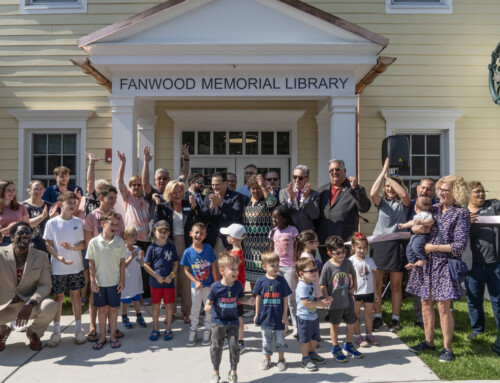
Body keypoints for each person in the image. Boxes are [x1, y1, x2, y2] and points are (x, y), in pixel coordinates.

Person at [407, 175, 470, 363]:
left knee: (444, 307)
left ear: (456, 192)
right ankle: (428, 341)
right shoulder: (432, 209)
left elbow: (459, 246)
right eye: (439, 189)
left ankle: (447, 349)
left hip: (444, 264)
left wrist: (431, 248)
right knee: (425, 303)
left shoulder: (461, 214)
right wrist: (417, 231)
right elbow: (415, 228)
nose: (440, 192)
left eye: (445, 189)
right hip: (426, 265)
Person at [0, 222, 57, 351]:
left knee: (50, 306)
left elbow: (46, 284)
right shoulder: (0, 254)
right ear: (12, 237)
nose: (25, 235)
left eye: (28, 233)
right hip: (5, 306)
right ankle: (2, 331)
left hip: (29, 304)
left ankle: (34, 333)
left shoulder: (41, 256)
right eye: (20, 233)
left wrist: (30, 303)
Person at [369, 158, 410, 333]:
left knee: (395, 285)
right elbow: (372, 193)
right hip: (379, 245)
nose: (390, 189)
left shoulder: (404, 204)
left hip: (397, 245)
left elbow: (405, 195)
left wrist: (391, 179)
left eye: (393, 186)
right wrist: (383, 174)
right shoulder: (382, 204)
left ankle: (395, 319)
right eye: (387, 187)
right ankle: (377, 317)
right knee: (377, 284)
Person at [154, 180, 202, 324]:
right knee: (171, 278)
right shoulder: (163, 207)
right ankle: (171, 311)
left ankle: (187, 312)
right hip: (169, 244)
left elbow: (199, 222)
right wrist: (157, 208)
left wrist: (195, 207)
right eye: (175, 192)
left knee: (186, 279)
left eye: (180, 191)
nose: (178, 194)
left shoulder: (189, 205)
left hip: (187, 244)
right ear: (169, 194)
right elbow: (157, 225)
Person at [43, 191, 86, 347]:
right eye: (69, 203)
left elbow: (83, 244)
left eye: (74, 203)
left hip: (75, 266)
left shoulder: (79, 222)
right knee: (58, 298)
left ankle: (79, 330)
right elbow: (48, 244)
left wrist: (71, 247)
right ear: (60, 204)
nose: (73, 206)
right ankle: (56, 332)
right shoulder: (51, 223)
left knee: (76, 296)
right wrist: (58, 257)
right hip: (58, 267)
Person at [205, 252, 255, 383]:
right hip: (218, 322)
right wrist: (207, 305)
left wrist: (248, 301)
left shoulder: (237, 285)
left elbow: (241, 298)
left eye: (237, 269)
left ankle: (233, 372)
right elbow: (209, 300)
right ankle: (215, 373)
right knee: (216, 347)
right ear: (222, 270)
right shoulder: (216, 287)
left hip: (233, 322)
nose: (236, 272)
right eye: (232, 269)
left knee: (234, 347)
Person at [84, 184, 125, 341]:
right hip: (96, 259)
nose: (113, 201)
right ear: (101, 198)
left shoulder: (117, 217)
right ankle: (93, 327)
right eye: (110, 198)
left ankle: (111, 329)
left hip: (112, 261)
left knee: (112, 302)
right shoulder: (92, 216)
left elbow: (119, 239)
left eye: (115, 198)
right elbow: (88, 242)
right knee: (95, 297)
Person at [465, 181, 500, 354]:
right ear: (468, 194)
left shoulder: (493, 206)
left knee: (498, 300)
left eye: (482, 191)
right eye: (477, 192)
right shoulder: (463, 212)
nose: (481, 195)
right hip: (473, 266)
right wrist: (466, 222)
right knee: (474, 300)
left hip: (494, 264)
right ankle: (478, 330)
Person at [317, 159, 371, 263]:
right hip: (326, 243)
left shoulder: (354, 188)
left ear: (344, 170)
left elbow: (364, 208)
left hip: (344, 242)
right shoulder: (322, 191)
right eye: (331, 170)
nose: (334, 172)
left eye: (337, 169)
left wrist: (355, 188)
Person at [320, 235, 362, 362]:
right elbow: (322, 284)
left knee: (351, 323)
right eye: (337, 253)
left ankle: (349, 345)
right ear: (329, 253)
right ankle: (335, 347)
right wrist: (326, 297)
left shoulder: (348, 263)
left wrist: (354, 286)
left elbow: (354, 274)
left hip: (348, 301)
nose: (341, 254)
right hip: (335, 304)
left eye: (343, 251)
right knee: (335, 325)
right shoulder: (327, 266)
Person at [252, 251, 292, 372]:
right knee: (266, 341)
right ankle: (267, 359)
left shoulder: (281, 281)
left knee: (280, 340)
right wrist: (256, 314)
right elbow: (258, 298)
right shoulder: (260, 281)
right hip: (265, 317)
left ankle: (281, 359)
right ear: (264, 266)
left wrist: (285, 314)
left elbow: (285, 299)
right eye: (272, 265)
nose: (275, 268)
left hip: (279, 317)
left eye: (277, 265)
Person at [408, 178, 438, 329]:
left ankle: (445, 317)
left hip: (436, 251)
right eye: (423, 188)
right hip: (418, 248)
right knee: (419, 284)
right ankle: (421, 319)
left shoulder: (438, 206)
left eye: (429, 189)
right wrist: (415, 229)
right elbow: (411, 226)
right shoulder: (413, 205)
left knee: (440, 287)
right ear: (418, 188)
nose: (425, 191)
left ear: (434, 192)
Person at [181, 222, 218, 347]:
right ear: (191, 233)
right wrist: (195, 281)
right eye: (196, 232)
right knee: (195, 310)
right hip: (195, 287)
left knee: (209, 309)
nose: (199, 235)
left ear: (205, 236)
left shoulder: (208, 248)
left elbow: (213, 265)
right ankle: (193, 331)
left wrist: (215, 282)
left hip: (209, 286)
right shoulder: (187, 252)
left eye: (202, 233)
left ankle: (208, 331)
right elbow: (186, 269)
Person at [144, 221, 179, 341]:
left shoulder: (171, 246)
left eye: (165, 231)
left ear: (169, 233)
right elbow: (146, 265)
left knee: (169, 306)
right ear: (154, 232)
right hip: (155, 283)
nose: (162, 234)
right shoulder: (151, 247)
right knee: (156, 307)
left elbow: (175, 263)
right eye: (160, 231)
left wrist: (172, 276)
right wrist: (156, 276)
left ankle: (168, 328)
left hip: (169, 283)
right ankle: (155, 329)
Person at [142, 145, 190, 229]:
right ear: (155, 180)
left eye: (164, 178)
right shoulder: (153, 192)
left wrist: (186, 158)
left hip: (172, 228)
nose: (161, 181)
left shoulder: (173, 189)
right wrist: (146, 161)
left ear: (169, 179)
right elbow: (144, 183)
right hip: (157, 229)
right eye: (159, 179)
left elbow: (184, 175)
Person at [269, 205, 299, 336]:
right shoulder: (273, 232)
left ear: (285, 219)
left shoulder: (292, 230)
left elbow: (298, 248)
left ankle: (296, 326)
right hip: (277, 268)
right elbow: (271, 250)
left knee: (291, 297)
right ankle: (284, 324)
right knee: (280, 297)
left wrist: (298, 266)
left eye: (277, 218)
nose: (274, 221)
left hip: (290, 268)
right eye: (273, 218)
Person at [295, 257, 329, 371]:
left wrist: (324, 302)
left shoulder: (312, 283)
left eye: (315, 269)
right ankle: (305, 359)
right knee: (305, 340)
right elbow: (305, 303)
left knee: (314, 338)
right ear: (301, 273)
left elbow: (314, 299)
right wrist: (320, 304)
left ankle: (312, 353)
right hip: (304, 318)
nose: (314, 272)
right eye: (311, 271)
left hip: (313, 316)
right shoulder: (302, 286)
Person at [242, 174, 278, 283]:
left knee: (265, 279)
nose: (255, 191)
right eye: (253, 188)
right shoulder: (246, 202)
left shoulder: (266, 201)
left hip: (264, 247)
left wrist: (263, 187)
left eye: (258, 188)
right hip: (249, 249)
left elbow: (273, 203)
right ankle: (255, 299)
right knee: (252, 281)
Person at [349, 232, 380, 348]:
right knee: (356, 314)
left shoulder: (370, 260)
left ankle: (369, 334)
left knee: (368, 314)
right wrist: (350, 291)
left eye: (365, 247)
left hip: (369, 292)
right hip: (356, 293)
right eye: (359, 248)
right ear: (353, 247)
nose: (362, 250)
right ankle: (357, 335)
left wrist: (376, 293)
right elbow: (349, 277)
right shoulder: (351, 261)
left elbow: (374, 278)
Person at [220, 223, 247, 352]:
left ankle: (240, 342)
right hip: (232, 289)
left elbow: (233, 275)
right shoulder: (235, 252)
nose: (226, 237)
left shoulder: (236, 256)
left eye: (228, 235)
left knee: (237, 317)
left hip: (234, 291)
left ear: (234, 239)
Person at [202, 172, 244, 252]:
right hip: (212, 241)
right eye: (213, 184)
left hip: (230, 241)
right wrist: (212, 207)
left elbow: (236, 215)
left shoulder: (236, 197)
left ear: (225, 183)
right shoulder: (208, 198)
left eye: (217, 184)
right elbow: (204, 219)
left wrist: (221, 204)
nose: (214, 187)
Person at [120, 226, 146, 330]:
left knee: (136, 298)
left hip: (135, 278)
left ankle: (139, 316)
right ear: (125, 238)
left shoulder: (137, 248)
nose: (135, 237)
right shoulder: (122, 250)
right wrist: (131, 257)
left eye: (136, 235)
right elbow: (123, 265)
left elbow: (141, 264)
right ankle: (124, 317)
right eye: (132, 235)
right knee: (125, 299)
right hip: (126, 279)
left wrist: (140, 257)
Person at [279, 165, 320, 233]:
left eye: (300, 178)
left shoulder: (314, 194)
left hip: (307, 235)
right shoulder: (284, 192)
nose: (297, 180)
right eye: (295, 177)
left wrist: (307, 198)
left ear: (307, 179)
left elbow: (315, 215)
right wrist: (291, 200)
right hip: (289, 234)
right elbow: (282, 214)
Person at [398, 196, 434, 270]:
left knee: (416, 246)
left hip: (423, 236)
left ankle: (422, 259)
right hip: (415, 235)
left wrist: (421, 222)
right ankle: (412, 262)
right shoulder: (416, 216)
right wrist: (403, 225)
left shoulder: (427, 214)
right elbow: (411, 222)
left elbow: (431, 221)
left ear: (416, 207)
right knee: (409, 248)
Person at [23, 180, 55, 252]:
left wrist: (52, 218)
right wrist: (42, 216)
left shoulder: (50, 206)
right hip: (29, 245)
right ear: (29, 191)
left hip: (47, 246)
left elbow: (56, 225)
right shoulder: (23, 206)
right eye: (35, 189)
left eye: (41, 189)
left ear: (44, 190)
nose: (38, 191)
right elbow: (26, 224)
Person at [0, 180, 29, 246]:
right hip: (2, 241)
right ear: (1, 191)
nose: (12, 192)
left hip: (18, 240)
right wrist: (7, 229)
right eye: (9, 190)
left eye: (13, 190)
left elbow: (26, 226)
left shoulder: (21, 206)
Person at [294, 230, 321, 296]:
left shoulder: (309, 255)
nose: (318, 243)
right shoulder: (306, 257)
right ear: (309, 243)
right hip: (309, 290)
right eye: (316, 241)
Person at [84, 152, 108, 217]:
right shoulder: (92, 196)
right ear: (95, 188)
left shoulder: (108, 199)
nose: (101, 189)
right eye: (99, 187)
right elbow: (90, 182)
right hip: (90, 225)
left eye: (104, 187)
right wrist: (91, 163)